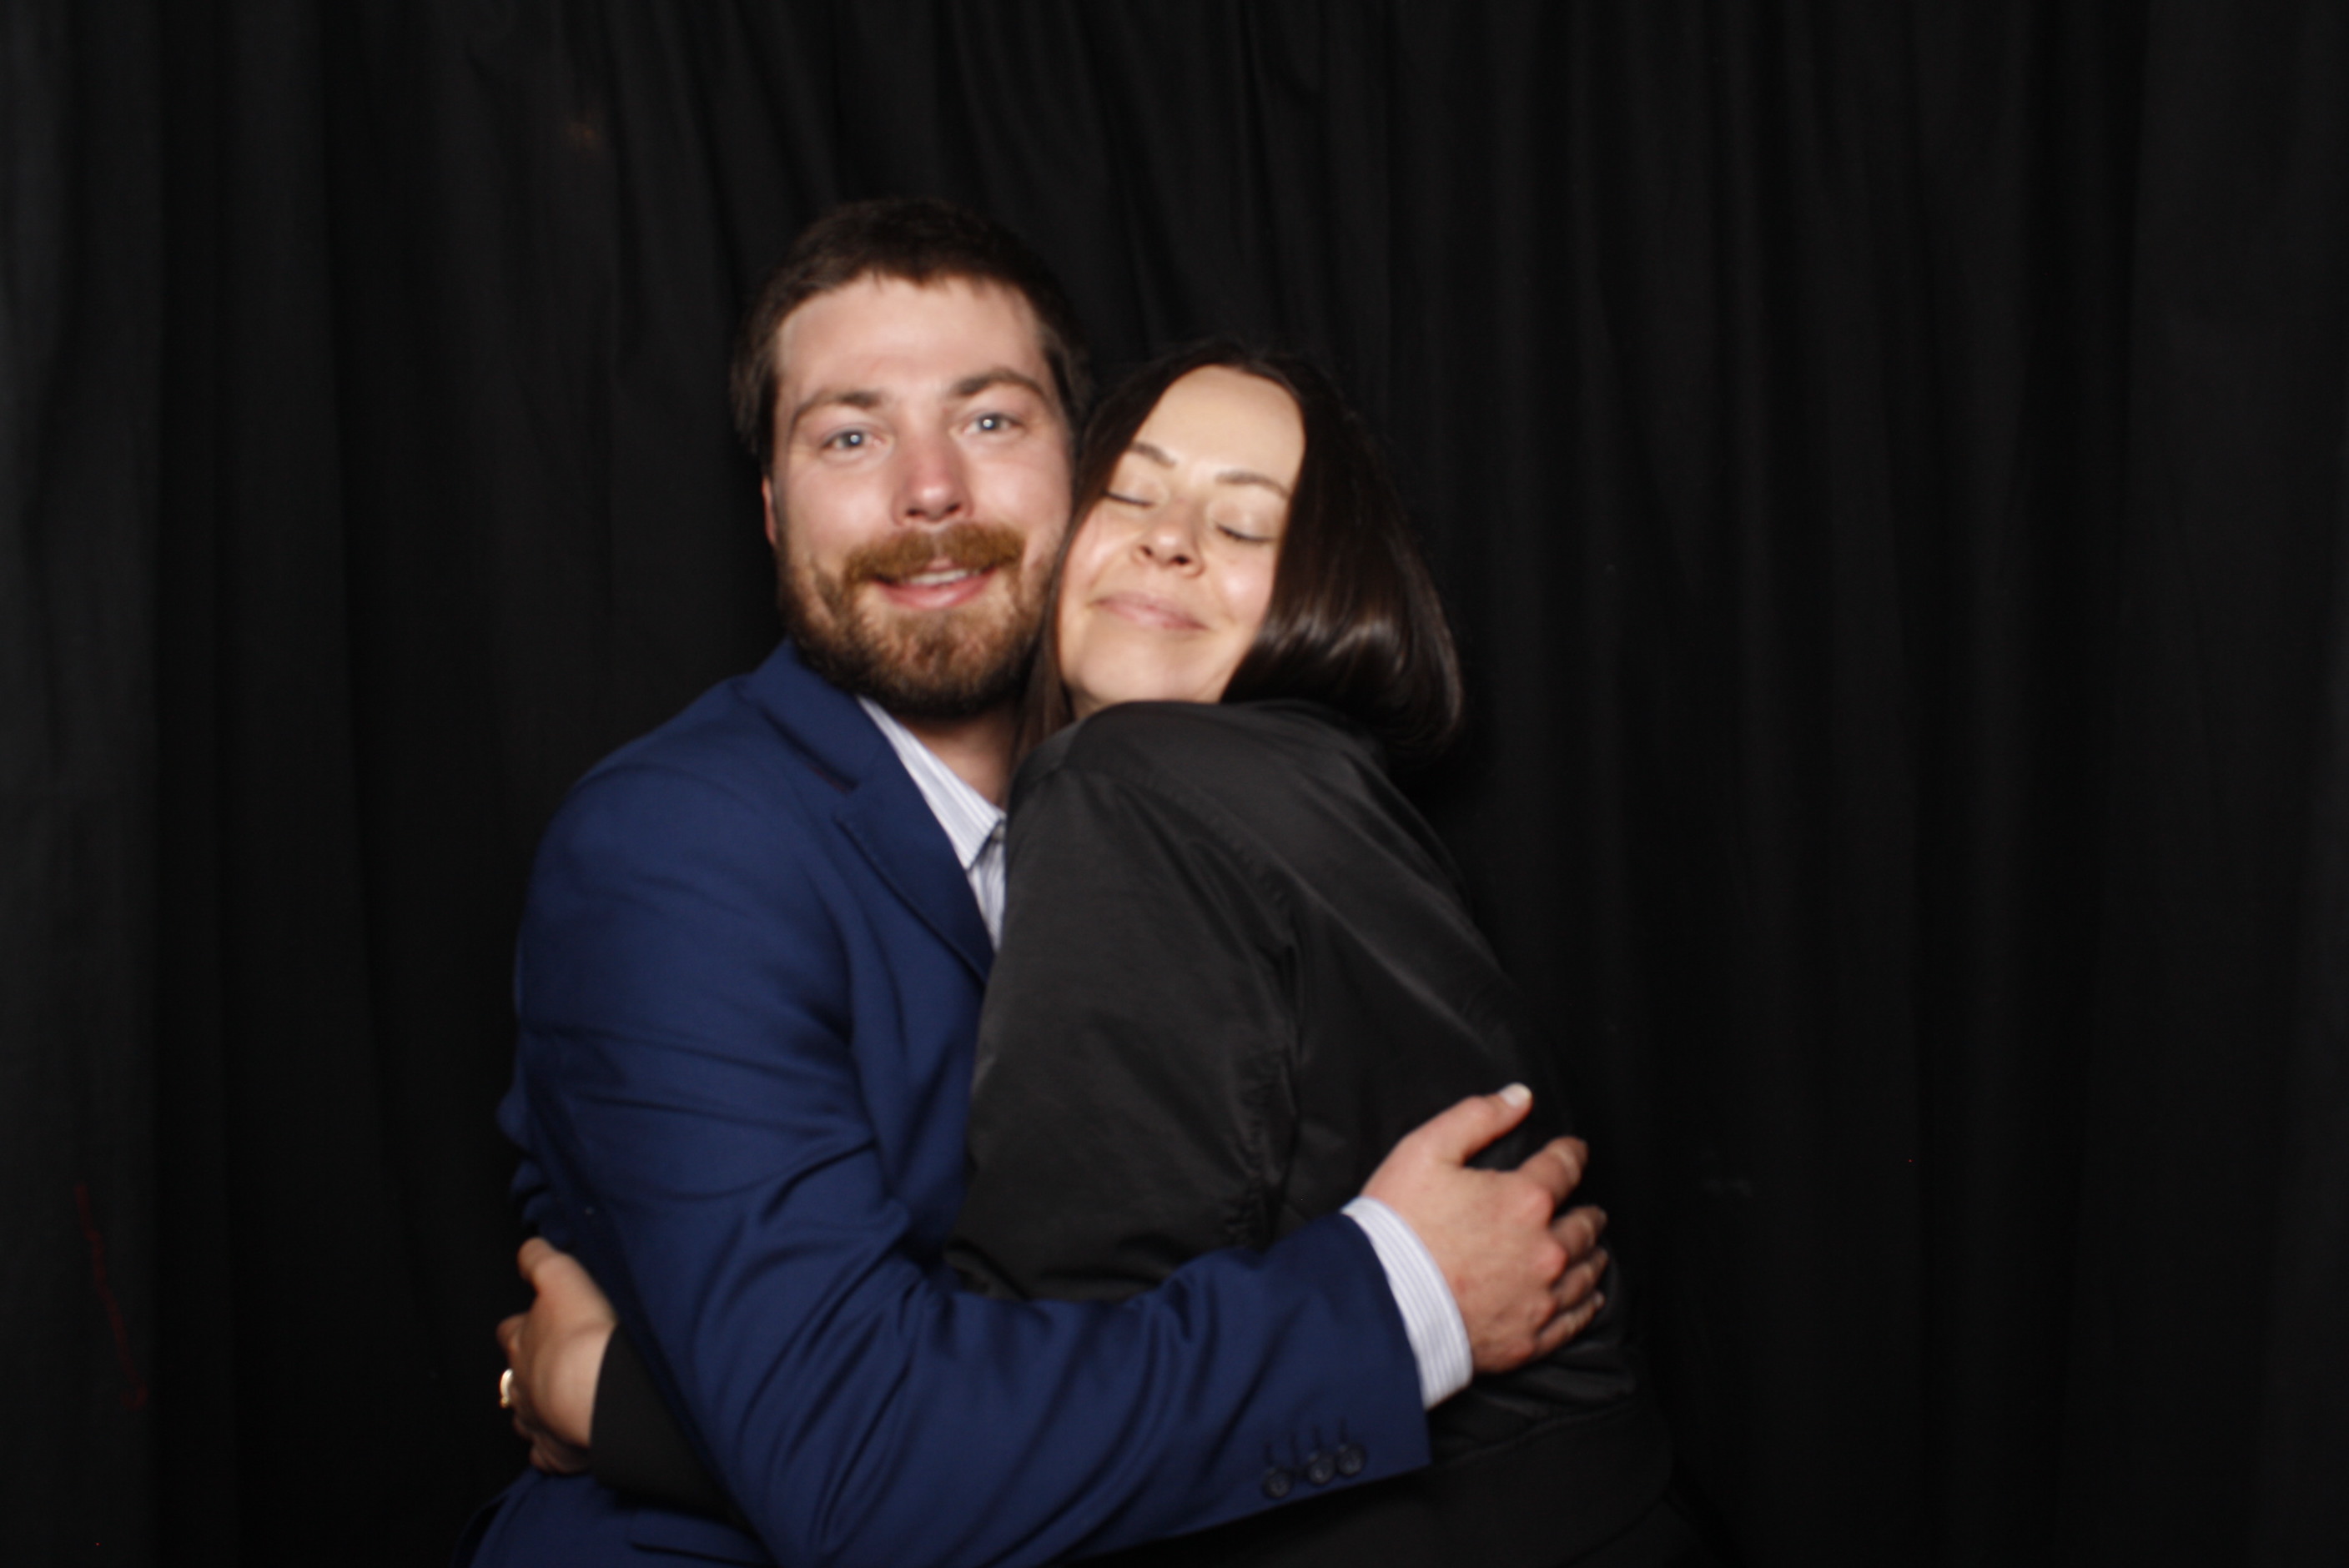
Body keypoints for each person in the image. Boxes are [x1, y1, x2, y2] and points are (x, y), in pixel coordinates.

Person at [463, 197, 1609, 1568]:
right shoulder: (673, 853)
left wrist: (632, 1403)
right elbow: (855, 1464)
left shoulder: (1201, 808)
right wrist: (1402, 1294)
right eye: (849, 434)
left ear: (1082, 470)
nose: (930, 488)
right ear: (772, 512)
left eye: (992, 420)